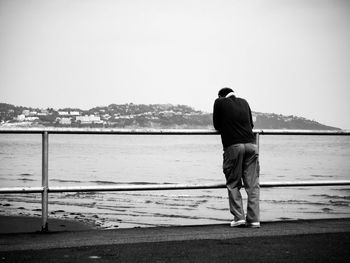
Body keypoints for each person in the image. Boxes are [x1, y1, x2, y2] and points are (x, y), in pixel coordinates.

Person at [213, 87, 260, 228]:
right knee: (252, 185)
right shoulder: (244, 102)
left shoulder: (219, 102)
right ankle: (254, 220)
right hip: (251, 145)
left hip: (233, 146)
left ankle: (239, 217)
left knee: (233, 182)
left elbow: (217, 125)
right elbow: (251, 124)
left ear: (221, 96)